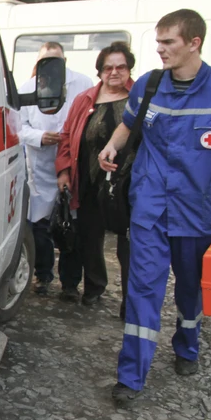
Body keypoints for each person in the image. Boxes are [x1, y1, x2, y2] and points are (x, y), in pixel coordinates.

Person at [97, 10, 211, 407]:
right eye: (159, 41)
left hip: (198, 212)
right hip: (150, 208)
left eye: (168, 42)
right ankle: (131, 377)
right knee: (142, 290)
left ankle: (187, 344)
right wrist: (112, 144)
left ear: (194, 43)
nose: (160, 49)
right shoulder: (148, 85)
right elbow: (129, 124)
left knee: (190, 287)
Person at [56, 42, 135, 315]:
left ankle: (131, 301)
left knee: (129, 245)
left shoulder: (139, 98)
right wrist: (64, 171)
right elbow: (67, 137)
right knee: (90, 238)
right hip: (90, 181)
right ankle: (94, 288)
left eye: (121, 67)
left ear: (129, 69)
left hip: (129, 183)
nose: (114, 72)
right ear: (100, 71)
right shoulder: (85, 99)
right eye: (108, 67)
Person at [18, 42, 94, 297]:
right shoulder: (27, 88)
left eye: (55, 60)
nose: (49, 66)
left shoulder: (83, 84)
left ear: (65, 61)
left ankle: (70, 284)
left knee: (70, 226)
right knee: (40, 227)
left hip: (72, 165)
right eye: (44, 61)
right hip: (41, 166)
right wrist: (39, 136)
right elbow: (18, 127)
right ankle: (43, 275)